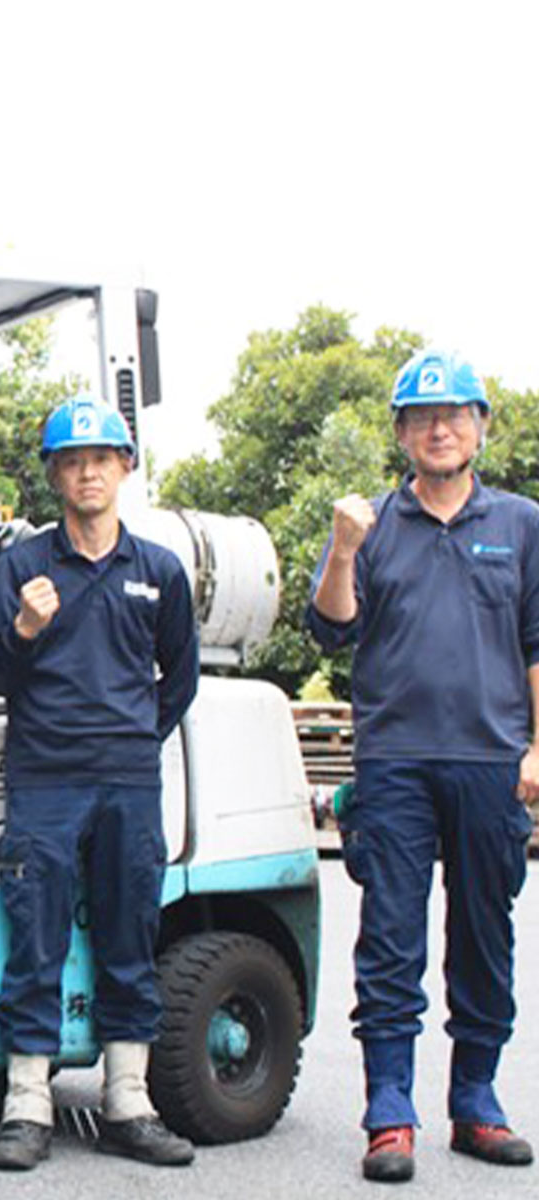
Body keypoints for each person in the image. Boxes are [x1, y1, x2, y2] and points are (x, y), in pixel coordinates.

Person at [307, 349, 539, 1183]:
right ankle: (390, 1113)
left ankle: (475, 1102)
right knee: (390, 938)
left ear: (479, 426)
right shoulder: (368, 524)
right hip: (395, 761)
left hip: (489, 760)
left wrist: (538, 747)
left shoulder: (522, 524)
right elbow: (331, 629)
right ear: (402, 434)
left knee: (484, 935)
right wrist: (342, 551)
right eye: (422, 418)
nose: (440, 429)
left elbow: (537, 645)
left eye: (454, 415)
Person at [0, 393, 198, 1172]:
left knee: (129, 931)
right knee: (34, 933)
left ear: (125, 468)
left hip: (128, 779)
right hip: (44, 775)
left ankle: (129, 1102)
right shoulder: (24, 565)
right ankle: (26, 1105)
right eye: (71, 462)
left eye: (100, 459)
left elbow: (180, 678)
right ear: (54, 476)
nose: (87, 474)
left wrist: (134, 738)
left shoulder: (159, 570)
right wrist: (25, 629)